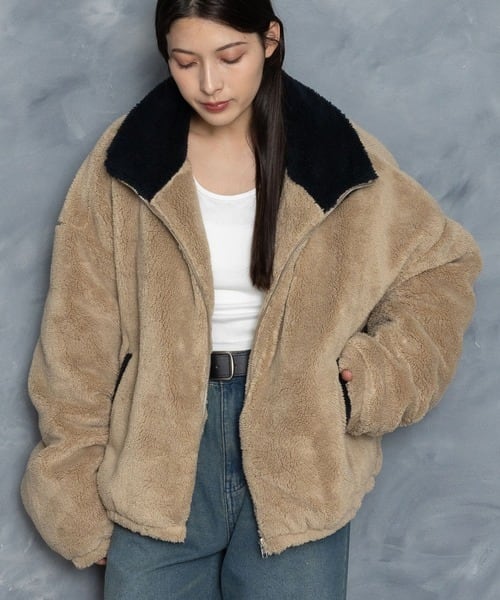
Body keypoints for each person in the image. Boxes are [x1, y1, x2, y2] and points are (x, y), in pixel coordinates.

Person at [20, 0, 481, 598]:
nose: (209, 84)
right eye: (186, 62)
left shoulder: (337, 153)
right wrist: (73, 483)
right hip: (156, 451)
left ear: (270, 40)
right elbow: (76, 332)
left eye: (229, 56)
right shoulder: (127, 159)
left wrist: (372, 381)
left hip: (300, 447)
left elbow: (440, 267)